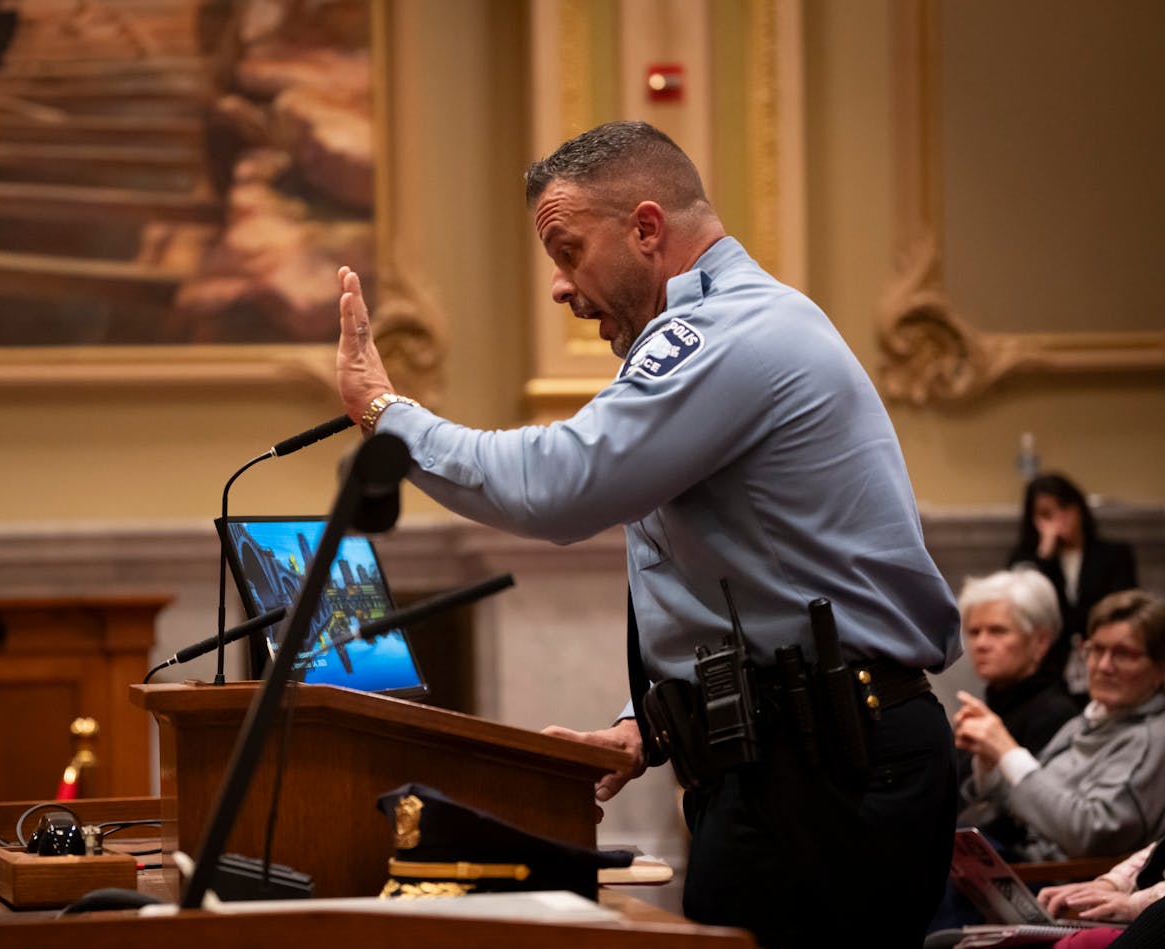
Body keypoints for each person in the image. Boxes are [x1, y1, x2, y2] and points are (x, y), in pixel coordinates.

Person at [334, 120, 961, 949]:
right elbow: (753, 595)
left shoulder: (729, 332)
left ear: (646, 228)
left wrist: (385, 414)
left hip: (832, 775)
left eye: (566, 251)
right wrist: (650, 724)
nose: (560, 286)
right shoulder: (726, 329)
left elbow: (559, 485)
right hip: (804, 761)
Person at [956, 590, 1165, 862]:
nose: (1103, 666)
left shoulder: (1151, 738)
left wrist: (1008, 752)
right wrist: (989, 760)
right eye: (1096, 650)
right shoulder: (1082, 723)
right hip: (1013, 861)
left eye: (1123, 654)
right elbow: (1022, 800)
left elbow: (1090, 834)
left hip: (1053, 883)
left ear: (1160, 669)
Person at [1008, 472, 1137, 700]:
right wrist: (1045, 556)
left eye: (1064, 508)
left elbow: (1125, 608)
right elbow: (1023, 610)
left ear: (1078, 508)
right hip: (1048, 671)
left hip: (1103, 659)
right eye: (1047, 514)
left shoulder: (1115, 554)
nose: (1059, 519)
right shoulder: (1028, 560)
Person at [956, 567, 1079, 791]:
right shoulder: (988, 707)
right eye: (974, 632)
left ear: (1040, 642)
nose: (981, 644)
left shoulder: (1056, 716)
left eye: (997, 631)